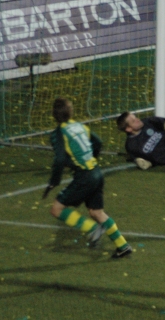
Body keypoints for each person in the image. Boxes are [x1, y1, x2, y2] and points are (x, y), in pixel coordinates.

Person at [43, 98, 133, 259]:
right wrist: (91, 158)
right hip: (96, 172)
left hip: (84, 177)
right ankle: (123, 246)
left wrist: (53, 182)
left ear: (54, 116)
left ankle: (92, 229)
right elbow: (97, 143)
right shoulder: (80, 126)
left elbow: (59, 160)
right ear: (71, 112)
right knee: (97, 212)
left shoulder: (58, 134)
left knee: (56, 209)